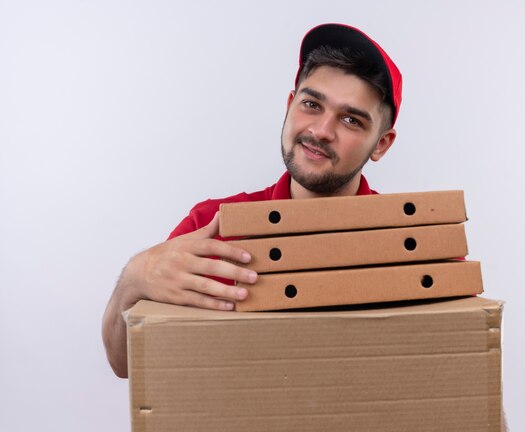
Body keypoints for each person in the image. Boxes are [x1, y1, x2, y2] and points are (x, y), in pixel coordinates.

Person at [102, 23, 403, 378]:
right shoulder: (211, 226)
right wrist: (135, 279)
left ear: (381, 143)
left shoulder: (416, 243)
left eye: (351, 119)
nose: (321, 130)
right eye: (311, 104)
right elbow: (126, 366)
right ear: (290, 106)